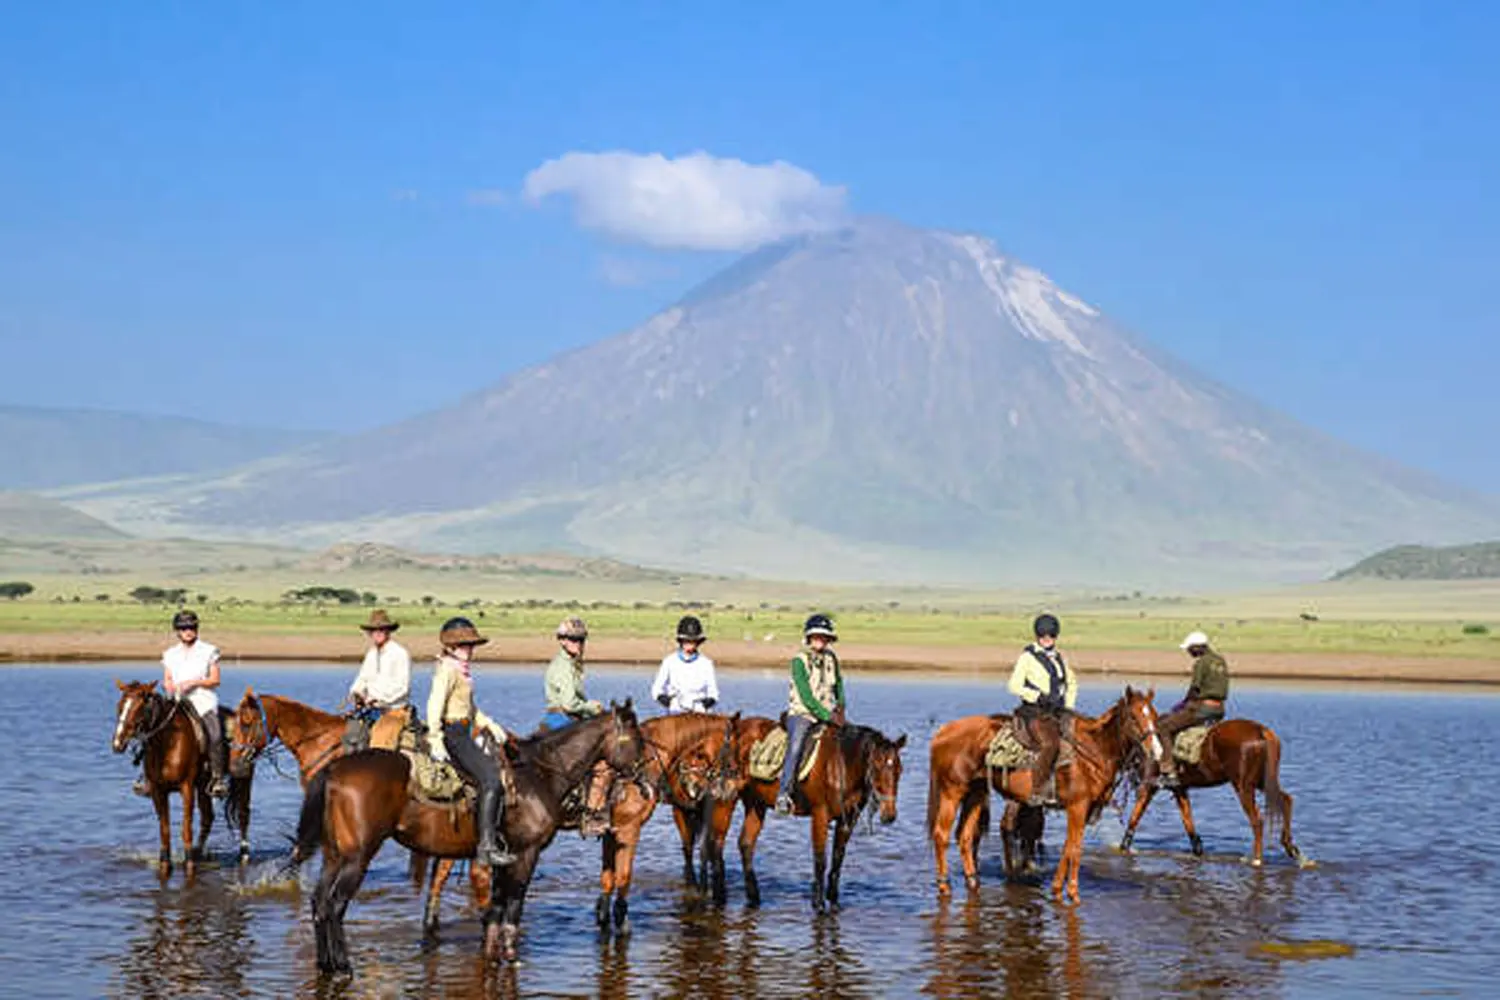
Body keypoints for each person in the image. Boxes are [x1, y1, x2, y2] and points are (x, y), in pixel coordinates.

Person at [426, 616, 516, 867]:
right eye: (465, 645)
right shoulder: (447, 670)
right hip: (454, 734)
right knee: (491, 779)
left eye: (471, 645)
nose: (470, 650)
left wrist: (488, 723)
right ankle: (486, 846)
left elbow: (470, 709)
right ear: (451, 647)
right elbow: (435, 704)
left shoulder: (462, 672)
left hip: (465, 730)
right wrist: (435, 737)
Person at [143, 610, 228, 798]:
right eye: (184, 628)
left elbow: (215, 680)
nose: (188, 631)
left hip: (202, 700)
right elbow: (167, 680)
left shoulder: (209, 651)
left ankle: (218, 778)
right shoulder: (169, 654)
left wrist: (194, 682)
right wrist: (170, 687)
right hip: (176, 701)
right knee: (151, 730)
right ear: (177, 631)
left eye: (191, 627)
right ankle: (148, 777)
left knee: (215, 734)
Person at [775, 613, 846, 816]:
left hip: (828, 713)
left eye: (824, 637)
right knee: (796, 746)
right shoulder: (799, 661)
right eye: (816, 636)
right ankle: (783, 793)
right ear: (809, 638)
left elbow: (839, 684)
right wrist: (826, 715)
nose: (820, 640)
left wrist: (841, 707)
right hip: (802, 714)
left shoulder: (831, 658)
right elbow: (806, 696)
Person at [1007, 613, 1077, 807]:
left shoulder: (1060, 658)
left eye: (1051, 635)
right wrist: (1036, 695)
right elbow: (1013, 685)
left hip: (1058, 711)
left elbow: (1071, 682)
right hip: (1034, 711)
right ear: (1038, 636)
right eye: (1043, 635)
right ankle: (1037, 790)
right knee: (1050, 744)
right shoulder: (1027, 657)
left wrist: (1069, 707)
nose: (1047, 639)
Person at [1149, 631, 1230, 788]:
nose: (1188, 652)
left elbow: (1194, 690)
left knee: (1163, 727)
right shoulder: (1220, 660)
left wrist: (1183, 703)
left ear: (1198, 648)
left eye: (1190, 648)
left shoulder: (1201, 663)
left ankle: (1170, 772)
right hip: (1219, 708)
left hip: (1203, 708)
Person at [342, 609, 411, 752]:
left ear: (388, 631)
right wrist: (356, 693)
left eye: (381, 629)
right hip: (370, 709)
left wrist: (378, 698)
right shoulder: (371, 654)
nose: (377, 633)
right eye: (374, 630)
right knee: (349, 735)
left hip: (393, 710)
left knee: (380, 744)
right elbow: (362, 678)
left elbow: (402, 687)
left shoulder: (400, 653)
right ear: (370, 633)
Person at [541, 617, 602, 730]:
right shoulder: (564, 666)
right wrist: (592, 707)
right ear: (562, 640)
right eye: (574, 639)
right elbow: (569, 704)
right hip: (562, 719)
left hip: (563, 717)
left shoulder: (569, 663)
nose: (578, 643)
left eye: (581, 639)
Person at [651, 615, 720, 714]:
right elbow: (656, 690)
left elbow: (714, 694)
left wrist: (704, 704)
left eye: (693, 641)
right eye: (687, 641)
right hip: (675, 714)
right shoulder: (669, 662)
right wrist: (669, 702)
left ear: (698, 643)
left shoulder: (706, 664)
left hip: (699, 714)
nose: (690, 645)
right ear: (681, 641)